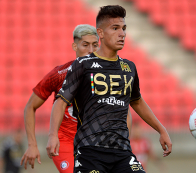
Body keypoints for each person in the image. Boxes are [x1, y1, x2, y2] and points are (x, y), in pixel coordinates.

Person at [46, 5, 172, 173]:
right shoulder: (82, 65)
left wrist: (161, 130)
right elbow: (60, 102)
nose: (122, 33)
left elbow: (137, 101)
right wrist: (53, 135)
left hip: (122, 152)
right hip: (89, 152)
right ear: (101, 33)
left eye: (124, 28)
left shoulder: (129, 68)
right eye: (115, 28)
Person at [20, 24, 133, 172]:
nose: (90, 50)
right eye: (85, 45)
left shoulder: (106, 75)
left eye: (94, 45)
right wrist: (32, 144)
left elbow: (124, 112)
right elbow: (30, 106)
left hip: (97, 142)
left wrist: (123, 144)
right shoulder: (59, 74)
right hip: (66, 142)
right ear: (75, 46)